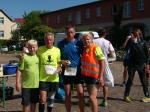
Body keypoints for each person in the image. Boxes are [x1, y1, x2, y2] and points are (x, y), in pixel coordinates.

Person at [57, 25, 84, 112]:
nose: (69, 34)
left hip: (78, 71)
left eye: (71, 32)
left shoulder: (79, 43)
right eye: (68, 32)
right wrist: (61, 63)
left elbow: (85, 55)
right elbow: (58, 59)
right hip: (67, 71)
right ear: (65, 33)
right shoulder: (61, 44)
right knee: (68, 94)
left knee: (80, 93)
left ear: (74, 33)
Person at [124, 29, 150, 103]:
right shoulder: (131, 42)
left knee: (143, 81)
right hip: (131, 64)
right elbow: (125, 49)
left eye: (136, 35)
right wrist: (128, 40)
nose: (135, 36)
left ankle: (147, 96)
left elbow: (147, 55)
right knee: (130, 80)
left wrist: (147, 64)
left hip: (141, 65)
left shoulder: (144, 43)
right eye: (134, 34)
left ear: (140, 35)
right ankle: (126, 96)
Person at [81, 33, 105, 112]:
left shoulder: (96, 48)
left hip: (95, 77)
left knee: (92, 97)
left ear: (91, 39)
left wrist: (101, 77)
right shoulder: (85, 49)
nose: (86, 40)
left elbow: (102, 62)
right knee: (91, 98)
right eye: (84, 39)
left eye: (88, 39)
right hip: (87, 77)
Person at [37, 32, 61, 112]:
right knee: (42, 99)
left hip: (54, 79)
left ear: (53, 40)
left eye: (50, 40)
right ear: (44, 40)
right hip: (43, 78)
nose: (49, 41)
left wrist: (59, 68)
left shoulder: (57, 50)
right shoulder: (39, 49)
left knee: (51, 99)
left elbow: (59, 63)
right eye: (47, 40)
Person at [93, 28, 115, 107]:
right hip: (104, 63)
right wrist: (107, 55)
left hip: (94, 63)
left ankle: (92, 98)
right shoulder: (108, 42)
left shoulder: (93, 41)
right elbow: (112, 55)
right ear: (105, 34)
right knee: (105, 83)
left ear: (98, 34)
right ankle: (105, 101)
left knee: (94, 82)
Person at [16, 39, 39, 112]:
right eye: (30, 47)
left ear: (37, 47)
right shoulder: (24, 57)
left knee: (33, 103)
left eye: (34, 47)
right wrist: (17, 82)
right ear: (27, 48)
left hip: (36, 85)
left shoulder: (39, 57)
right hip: (26, 86)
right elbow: (19, 70)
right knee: (26, 104)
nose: (32, 49)